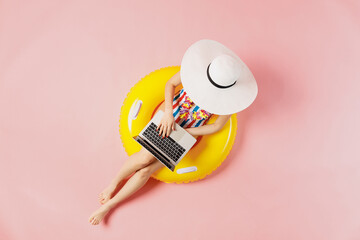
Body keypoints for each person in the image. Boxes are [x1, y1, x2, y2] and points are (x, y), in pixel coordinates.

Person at [89, 39, 258, 225]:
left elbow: (217, 126)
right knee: (145, 158)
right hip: (168, 120)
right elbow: (170, 83)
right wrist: (168, 113)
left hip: (186, 134)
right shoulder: (194, 73)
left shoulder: (229, 100)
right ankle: (113, 183)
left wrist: (191, 132)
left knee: (145, 173)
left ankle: (109, 206)